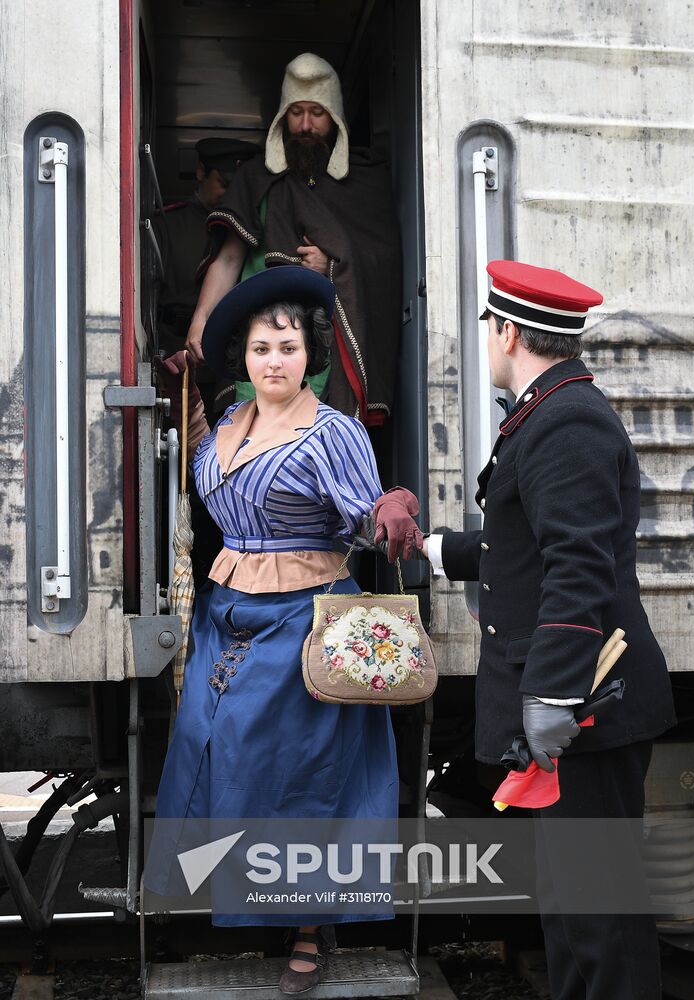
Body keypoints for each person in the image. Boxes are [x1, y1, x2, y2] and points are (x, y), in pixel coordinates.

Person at [380, 260, 677, 1000]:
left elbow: (577, 568)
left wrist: (546, 698)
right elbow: (531, 544)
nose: (487, 341)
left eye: (489, 329)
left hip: (583, 714)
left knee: (598, 913)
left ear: (508, 331)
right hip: (574, 711)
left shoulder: (566, 420)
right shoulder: (550, 409)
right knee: (571, 907)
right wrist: (436, 548)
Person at [145, 266, 399, 994]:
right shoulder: (227, 421)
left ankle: (312, 928)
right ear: (245, 359)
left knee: (298, 774)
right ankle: (234, 896)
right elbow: (207, 475)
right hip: (227, 614)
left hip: (305, 617)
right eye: (260, 349)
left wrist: (386, 517)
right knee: (211, 747)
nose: (274, 361)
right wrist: (185, 399)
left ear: (309, 351)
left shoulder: (335, 432)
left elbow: (361, 518)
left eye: (286, 347)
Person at [184, 52, 402, 425]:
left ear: (334, 118)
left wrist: (332, 265)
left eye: (316, 113)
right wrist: (200, 320)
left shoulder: (363, 183)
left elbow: (384, 264)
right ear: (282, 116)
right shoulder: (256, 178)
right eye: (295, 112)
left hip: (321, 353)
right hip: (257, 344)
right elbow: (229, 258)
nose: (304, 125)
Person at [155, 137, 259, 417]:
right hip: (176, 350)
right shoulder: (168, 223)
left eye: (237, 188)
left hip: (230, 356)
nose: (230, 195)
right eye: (224, 184)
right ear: (201, 172)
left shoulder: (250, 228)